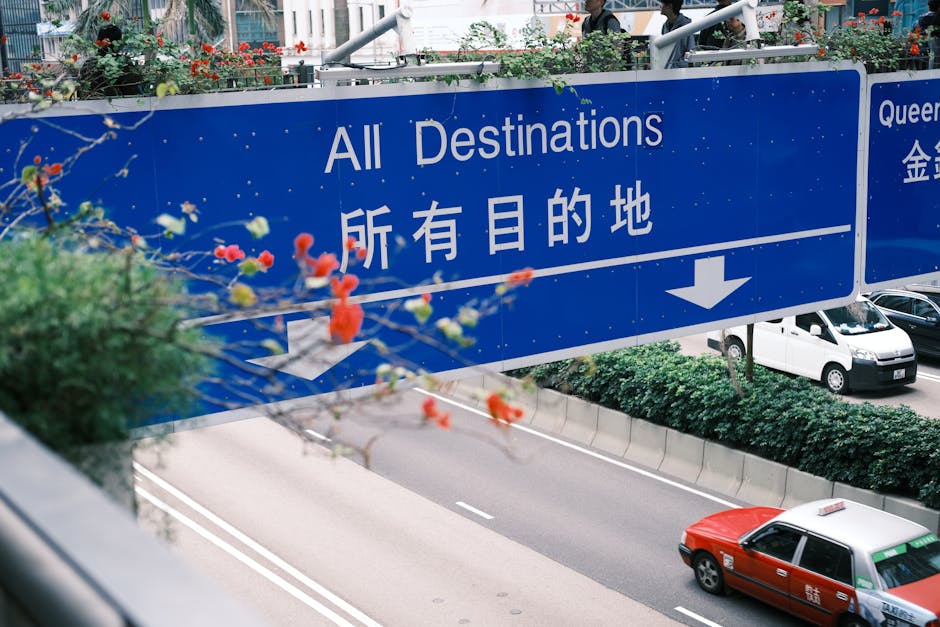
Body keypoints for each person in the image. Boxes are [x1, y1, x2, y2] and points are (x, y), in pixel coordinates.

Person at [78, 24, 142, 98]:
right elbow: (133, 94)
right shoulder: (122, 63)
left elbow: (82, 92)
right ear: (117, 43)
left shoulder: (88, 63)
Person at [660, 0, 695, 68]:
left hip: (681, 73)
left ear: (670, 6)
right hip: (667, 71)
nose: (660, 6)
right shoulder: (665, 26)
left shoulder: (687, 27)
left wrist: (677, 65)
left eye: (663, 3)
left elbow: (691, 51)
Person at [917, 0, 940, 69]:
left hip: (928, 42)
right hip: (934, 39)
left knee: (933, 58)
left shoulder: (922, 18)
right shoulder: (936, 17)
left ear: (929, 7)